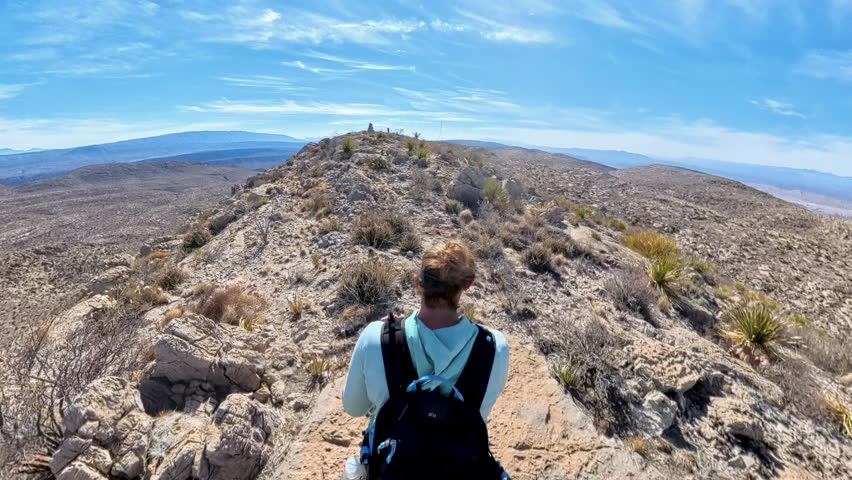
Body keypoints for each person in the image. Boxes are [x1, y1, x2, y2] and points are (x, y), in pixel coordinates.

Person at [342, 240, 510, 480]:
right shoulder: (495, 348)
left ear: (418, 283)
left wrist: (386, 333)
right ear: (468, 285)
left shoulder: (376, 338)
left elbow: (353, 407)